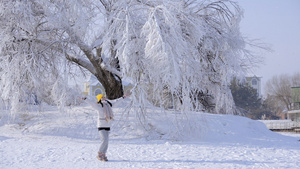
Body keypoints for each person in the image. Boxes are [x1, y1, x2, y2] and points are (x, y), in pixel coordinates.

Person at [81, 94, 126, 161]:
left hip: (107, 125)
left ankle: (103, 154)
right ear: (99, 99)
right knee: (104, 140)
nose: (103, 98)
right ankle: (99, 153)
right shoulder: (98, 106)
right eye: (101, 97)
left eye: (104, 97)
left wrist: (123, 97)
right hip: (101, 125)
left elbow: (116, 101)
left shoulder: (109, 105)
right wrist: (85, 99)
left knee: (106, 141)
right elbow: (92, 103)